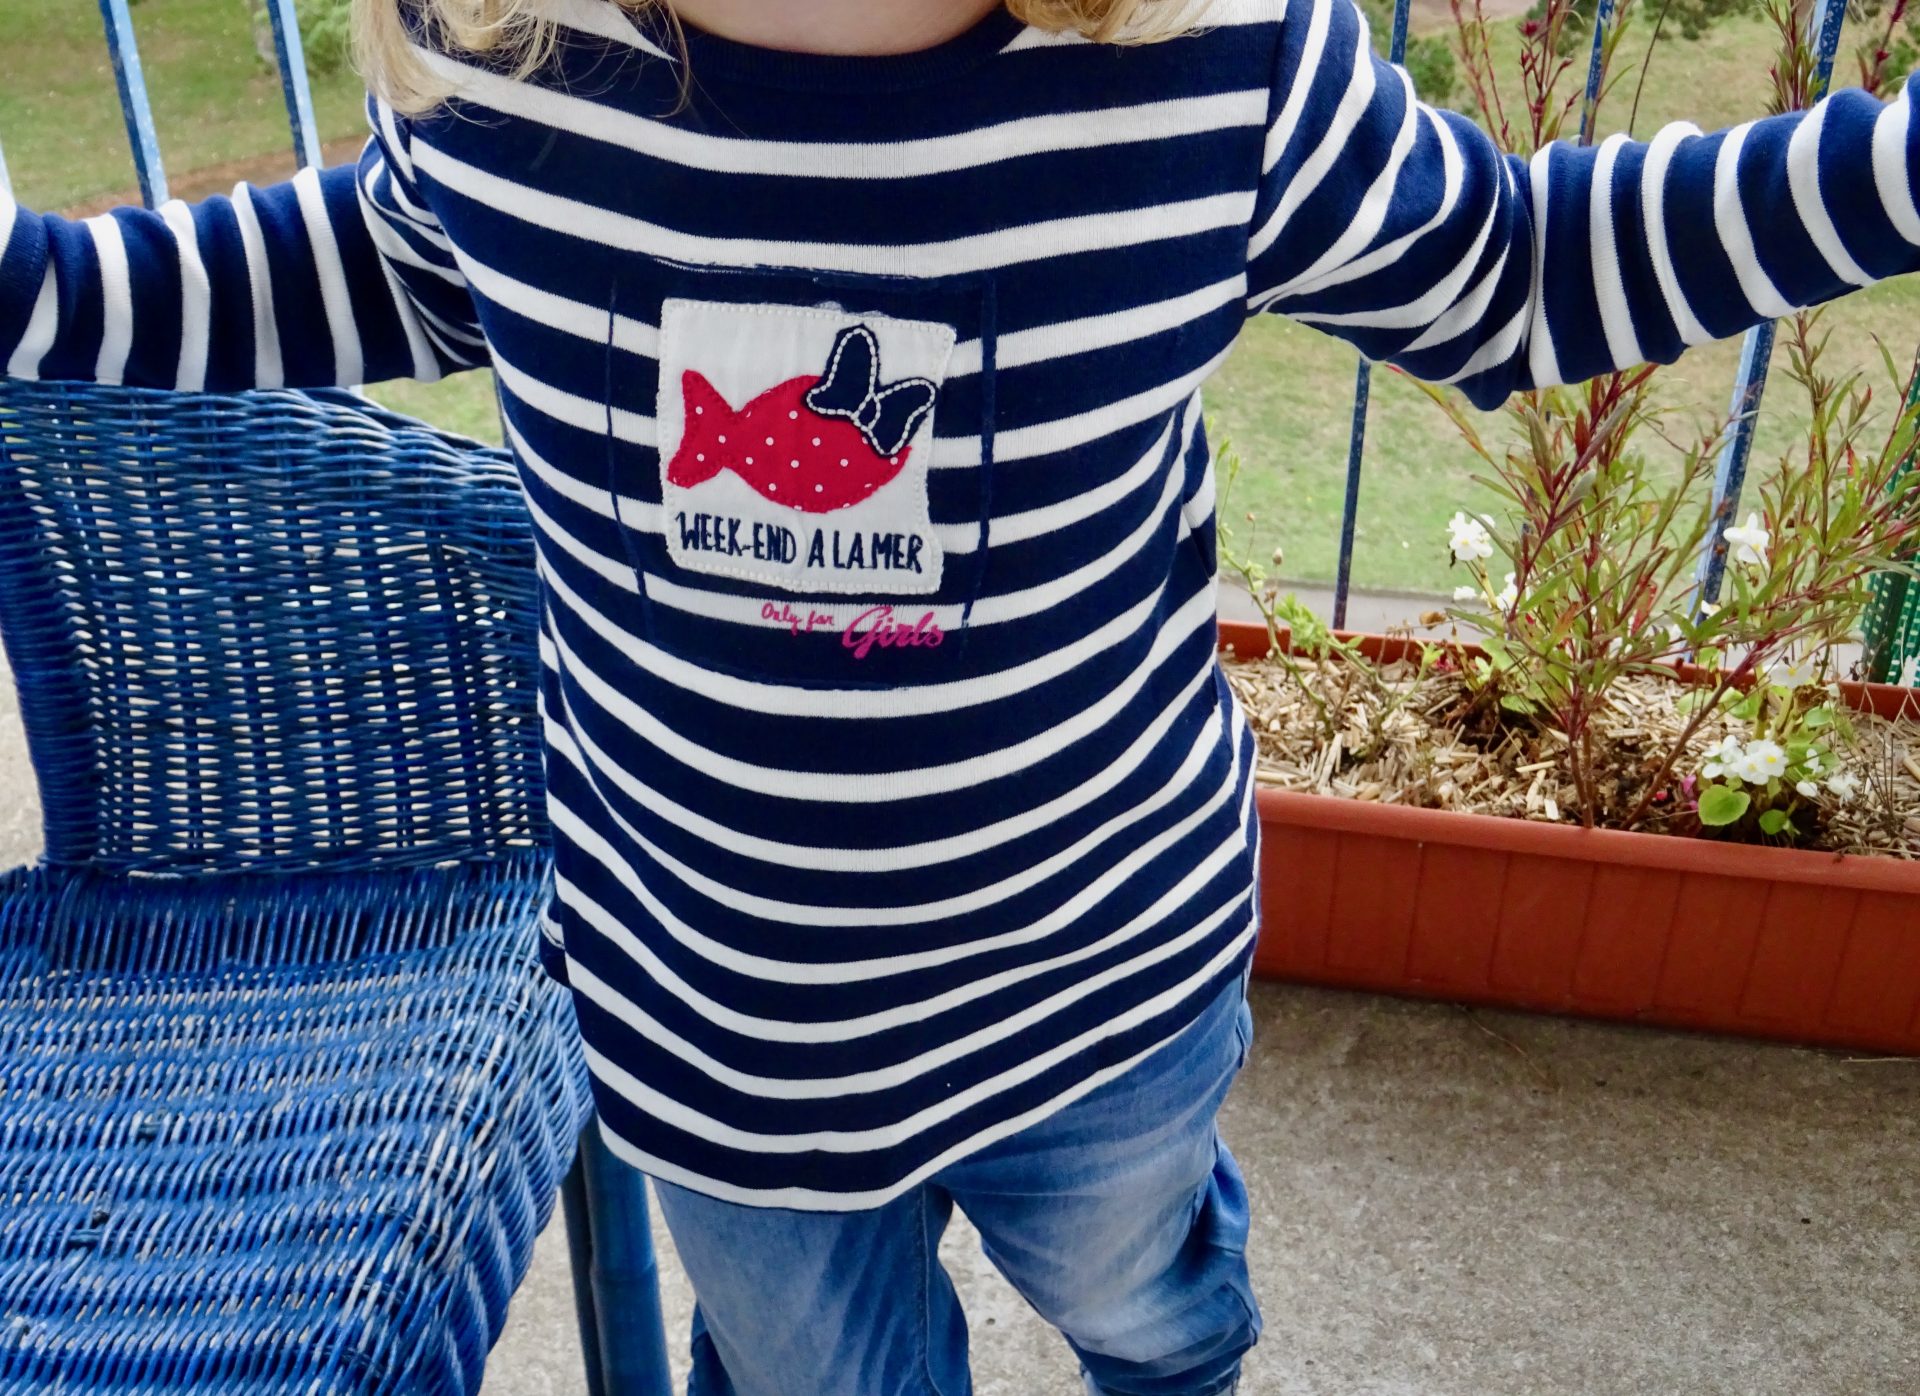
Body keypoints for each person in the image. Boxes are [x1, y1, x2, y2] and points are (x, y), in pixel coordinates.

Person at [2, 0, 1916, 1390]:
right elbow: (367, 268)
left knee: (1149, 1305)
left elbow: (1511, 271)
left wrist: (1892, 166)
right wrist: (31, 284)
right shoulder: (503, 65)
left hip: (1105, 993)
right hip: (719, 1037)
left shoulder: (1220, 66)